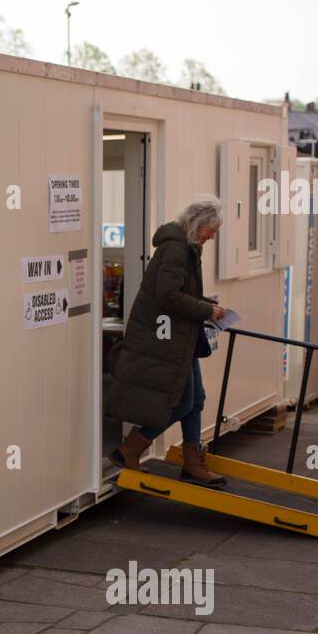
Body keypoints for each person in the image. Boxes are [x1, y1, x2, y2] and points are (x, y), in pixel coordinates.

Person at [108, 197, 230, 486]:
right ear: (196, 223)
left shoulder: (188, 246)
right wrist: (205, 309)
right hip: (165, 340)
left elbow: (176, 291)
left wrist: (205, 303)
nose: (212, 236)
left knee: (196, 399)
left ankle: (191, 463)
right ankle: (130, 449)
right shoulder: (176, 248)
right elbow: (167, 295)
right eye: (210, 230)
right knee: (182, 403)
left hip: (180, 338)